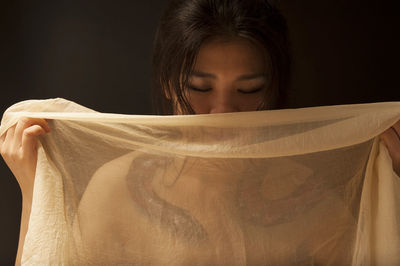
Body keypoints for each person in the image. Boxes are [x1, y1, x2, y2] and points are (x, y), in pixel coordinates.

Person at [1, 0, 399, 264]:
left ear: (276, 89)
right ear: (166, 81)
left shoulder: (314, 202)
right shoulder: (115, 189)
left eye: (249, 90)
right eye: (200, 88)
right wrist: (37, 190)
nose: (222, 112)